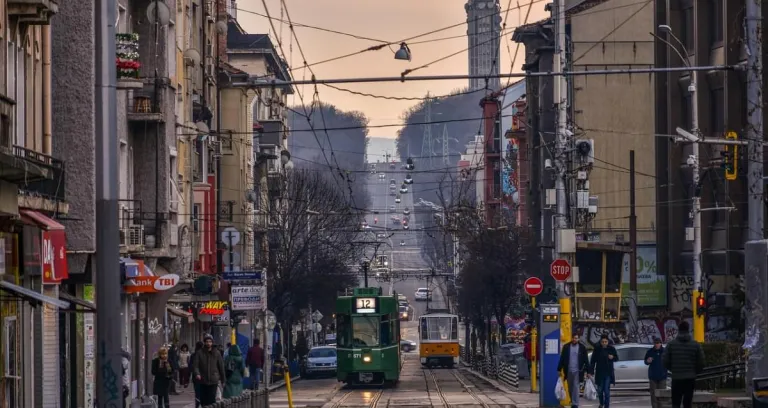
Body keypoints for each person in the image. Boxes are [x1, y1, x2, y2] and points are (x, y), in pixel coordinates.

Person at [663, 321, 705, 408]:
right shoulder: (695, 345)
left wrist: (673, 369)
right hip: (690, 378)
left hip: (676, 378)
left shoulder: (671, 344)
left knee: (676, 403)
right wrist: (694, 372)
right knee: (688, 402)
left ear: (678, 330)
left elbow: (664, 361)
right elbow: (701, 362)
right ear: (688, 330)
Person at [557, 333, 591, 408]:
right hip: (568, 370)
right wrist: (559, 369)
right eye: (574, 338)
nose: (575, 340)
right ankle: (572, 401)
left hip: (578, 371)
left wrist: (588, 371)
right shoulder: (566, 347)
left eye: (576, 338)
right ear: (571, 338)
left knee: (575, 387)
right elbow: (562, 358)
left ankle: (575, 404)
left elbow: (586, 360)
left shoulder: (582, 348)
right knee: (570, 387)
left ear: (578, 339)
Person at [193, 334, 226, 406]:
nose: (208, 343)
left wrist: (223, 380)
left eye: (210, 341)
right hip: (203, 380)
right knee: (203, 400)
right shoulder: (199, 353)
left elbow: (221, 367)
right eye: (207, 341)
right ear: (204, 342)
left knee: (211, 400)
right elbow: (195, 366)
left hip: (213, 380)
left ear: (212, 342)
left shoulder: (217, 353)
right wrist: (197, 373)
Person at [589, 334, 619, 408]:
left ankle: (606, 406)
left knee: (606, 391)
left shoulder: (611, 349)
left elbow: (617, 358)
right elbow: (593, 361)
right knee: (599, 391)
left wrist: (612, 357)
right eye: (603, 342)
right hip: (599, 373)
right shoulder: (597, 349)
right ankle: (601, 403)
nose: (604, 343)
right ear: (600, 342)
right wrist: (591, 372)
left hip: (608, 373)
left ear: (608, 342)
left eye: (606, 342)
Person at [645, 337, 667, 408]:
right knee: (654, 395)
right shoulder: (650, 351)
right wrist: (647, 361)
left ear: (661, 343)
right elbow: (645, 361)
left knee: (662, 395)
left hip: (662, 376)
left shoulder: (665, 351)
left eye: (658, 343)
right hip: (653, 376)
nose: (657, 345)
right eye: (655, 343)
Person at [191, 341, 204, 408]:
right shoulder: (204, 354)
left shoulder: (193, 355)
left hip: (195, 376)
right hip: (204, 376)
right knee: (203, 391)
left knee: (197, 391)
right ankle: (202, 404)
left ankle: (197, 404)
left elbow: (190, 366)